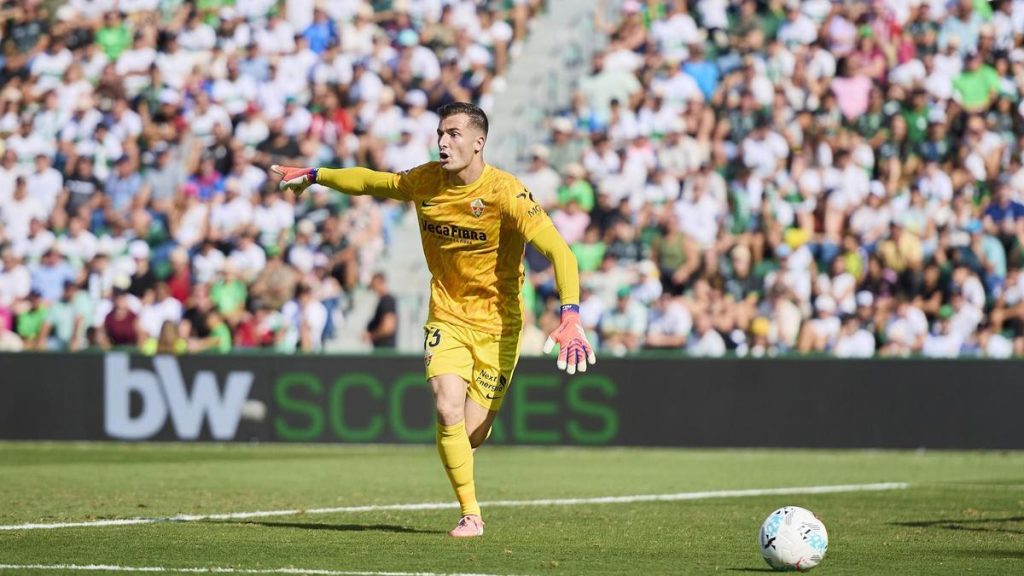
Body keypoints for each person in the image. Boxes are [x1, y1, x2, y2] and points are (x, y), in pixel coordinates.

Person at [272, 101, 595, 538]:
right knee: (446, 410)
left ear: (478, 142)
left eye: (453, 134)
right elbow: (370, 181)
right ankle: (470, 513)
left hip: (499, 324)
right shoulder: (425, 180)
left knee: (471, 434)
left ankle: (469, 449)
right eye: (441, 133)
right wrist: (316, 175)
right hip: (447, 315)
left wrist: (570, 313)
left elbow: (560, 252)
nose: (443, 141)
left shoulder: (507, 192)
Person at [365, 272, 398, 349]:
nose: (372, 287)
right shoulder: (384, 301)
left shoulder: (387, 301)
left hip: (385, 351)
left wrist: (371, 335)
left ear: (380, 282)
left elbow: (388, 327)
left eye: (374, 283)